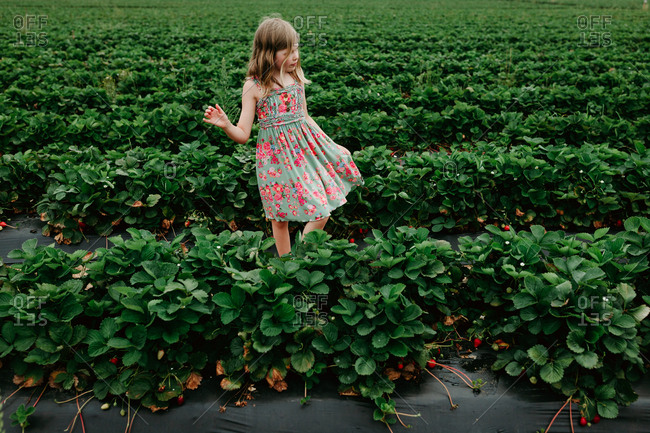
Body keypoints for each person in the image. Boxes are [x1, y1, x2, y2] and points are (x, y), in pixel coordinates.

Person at [202, 16, 364, 257]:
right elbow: (243, 134)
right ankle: (286, 264)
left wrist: (332, 145)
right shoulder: (254, 86)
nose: (295, 57)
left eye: (296, 49)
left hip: (304, 154)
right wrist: (226, 125)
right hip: (275, 161)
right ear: (268, 54)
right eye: (287, 52)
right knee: (279, 218)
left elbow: (306, 117)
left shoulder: (296, 78)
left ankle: (299, 258)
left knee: (321, 211)